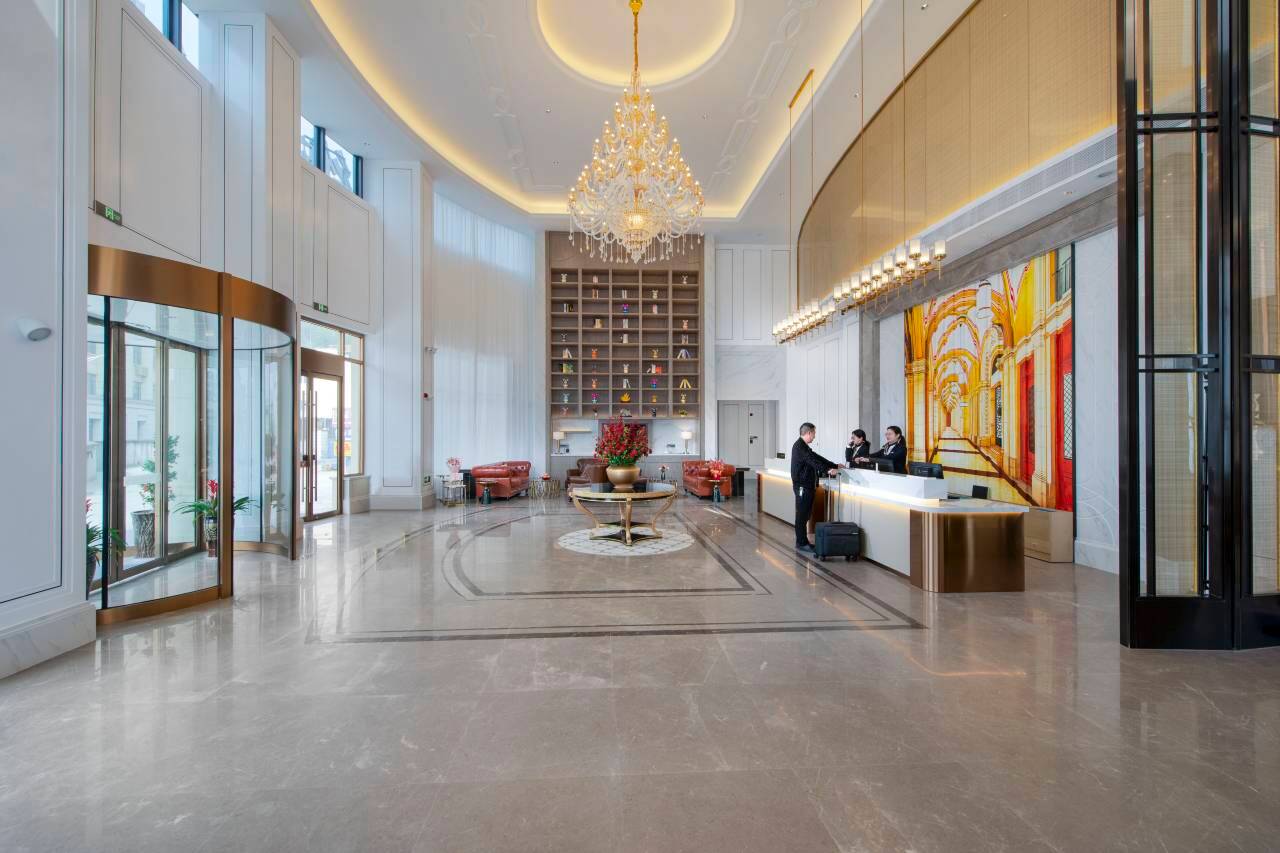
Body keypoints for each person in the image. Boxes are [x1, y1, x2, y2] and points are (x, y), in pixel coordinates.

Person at [791, 423, 842, 552]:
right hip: (803, 486)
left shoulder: (803, 446)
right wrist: (828, 470)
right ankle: (801, 543)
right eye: (814, 433)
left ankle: (802, 542)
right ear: (808, 433)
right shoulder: (799, 447)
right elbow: (812, 461)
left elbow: (816, 457)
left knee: (805, 514)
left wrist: (833, 465)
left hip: (807, 486)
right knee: (802, 515)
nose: (814, 436)